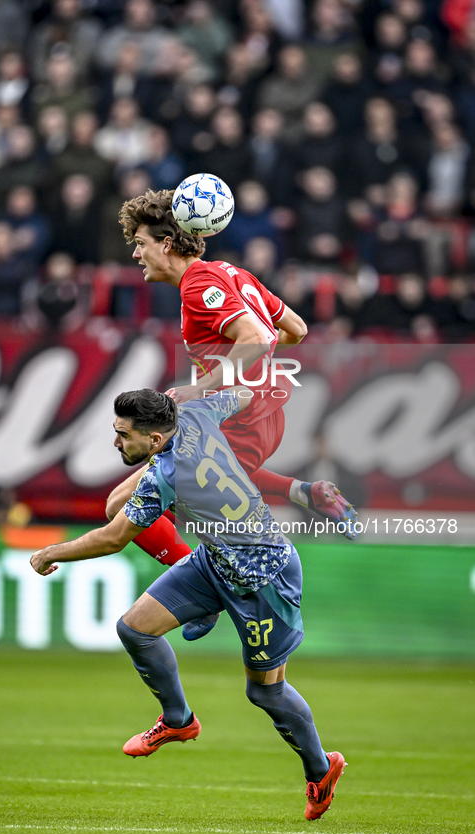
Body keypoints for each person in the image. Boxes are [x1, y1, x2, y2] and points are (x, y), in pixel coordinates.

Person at [30, 388, 347, 820]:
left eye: (124, 436)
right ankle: (178, 719)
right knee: (135, 628)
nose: (117, 443)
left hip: (263, 578)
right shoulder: (196, 413)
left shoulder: (164, 473)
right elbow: (242, 394)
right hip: (213, 560)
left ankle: (320, 769)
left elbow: (113, 537)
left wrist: (50, 553)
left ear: (156, 440)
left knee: (265, 692)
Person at [107, 187, 357, 643]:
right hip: (260, 417)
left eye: (141, 243)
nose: (137, 254)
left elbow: (259, 338)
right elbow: (295, 330)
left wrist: (201, 386)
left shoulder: (200, 284)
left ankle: (203, 595)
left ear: (166, 244)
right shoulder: (231, 273)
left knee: (125, 504)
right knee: (204, 492)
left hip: (236, 417)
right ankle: (308, 493)